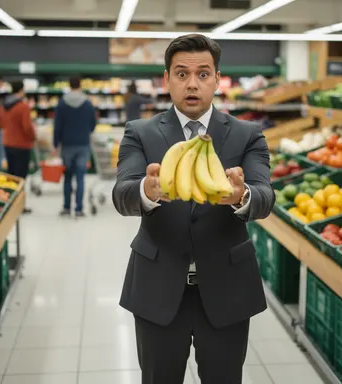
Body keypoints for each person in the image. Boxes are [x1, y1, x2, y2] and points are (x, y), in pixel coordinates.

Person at [112, 34, 275, 384]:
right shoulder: (139, 132)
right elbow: (122, 194)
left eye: (203, 74)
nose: (192, 84)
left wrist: (242, 195)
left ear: (217, 79)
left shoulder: (248, 134)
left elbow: (265, 196)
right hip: (157, 287)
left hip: (227, 288)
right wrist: (147, 190)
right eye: (182, 74)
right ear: (167, 79)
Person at [53, 76, 97, 217]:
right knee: (80, 178)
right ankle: (79, 209)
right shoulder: (88, 104)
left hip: (67, 145)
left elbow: (57, 126)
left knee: (67, 177)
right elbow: (93, 124)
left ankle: (66, 208)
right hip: (83, 144)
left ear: (69, 85)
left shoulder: (62, 103)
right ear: (80, 85)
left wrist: (55, 143)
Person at [0, 80, 35, 213]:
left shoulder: (4, 105)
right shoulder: (23, 107)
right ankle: (20, 206)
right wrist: (33, 137)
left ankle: (11, 204)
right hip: (22, 145)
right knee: (21, 177)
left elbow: (1, 123)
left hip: (8, 143)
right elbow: (27, 127)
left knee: (12, 175)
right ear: (21, 90)